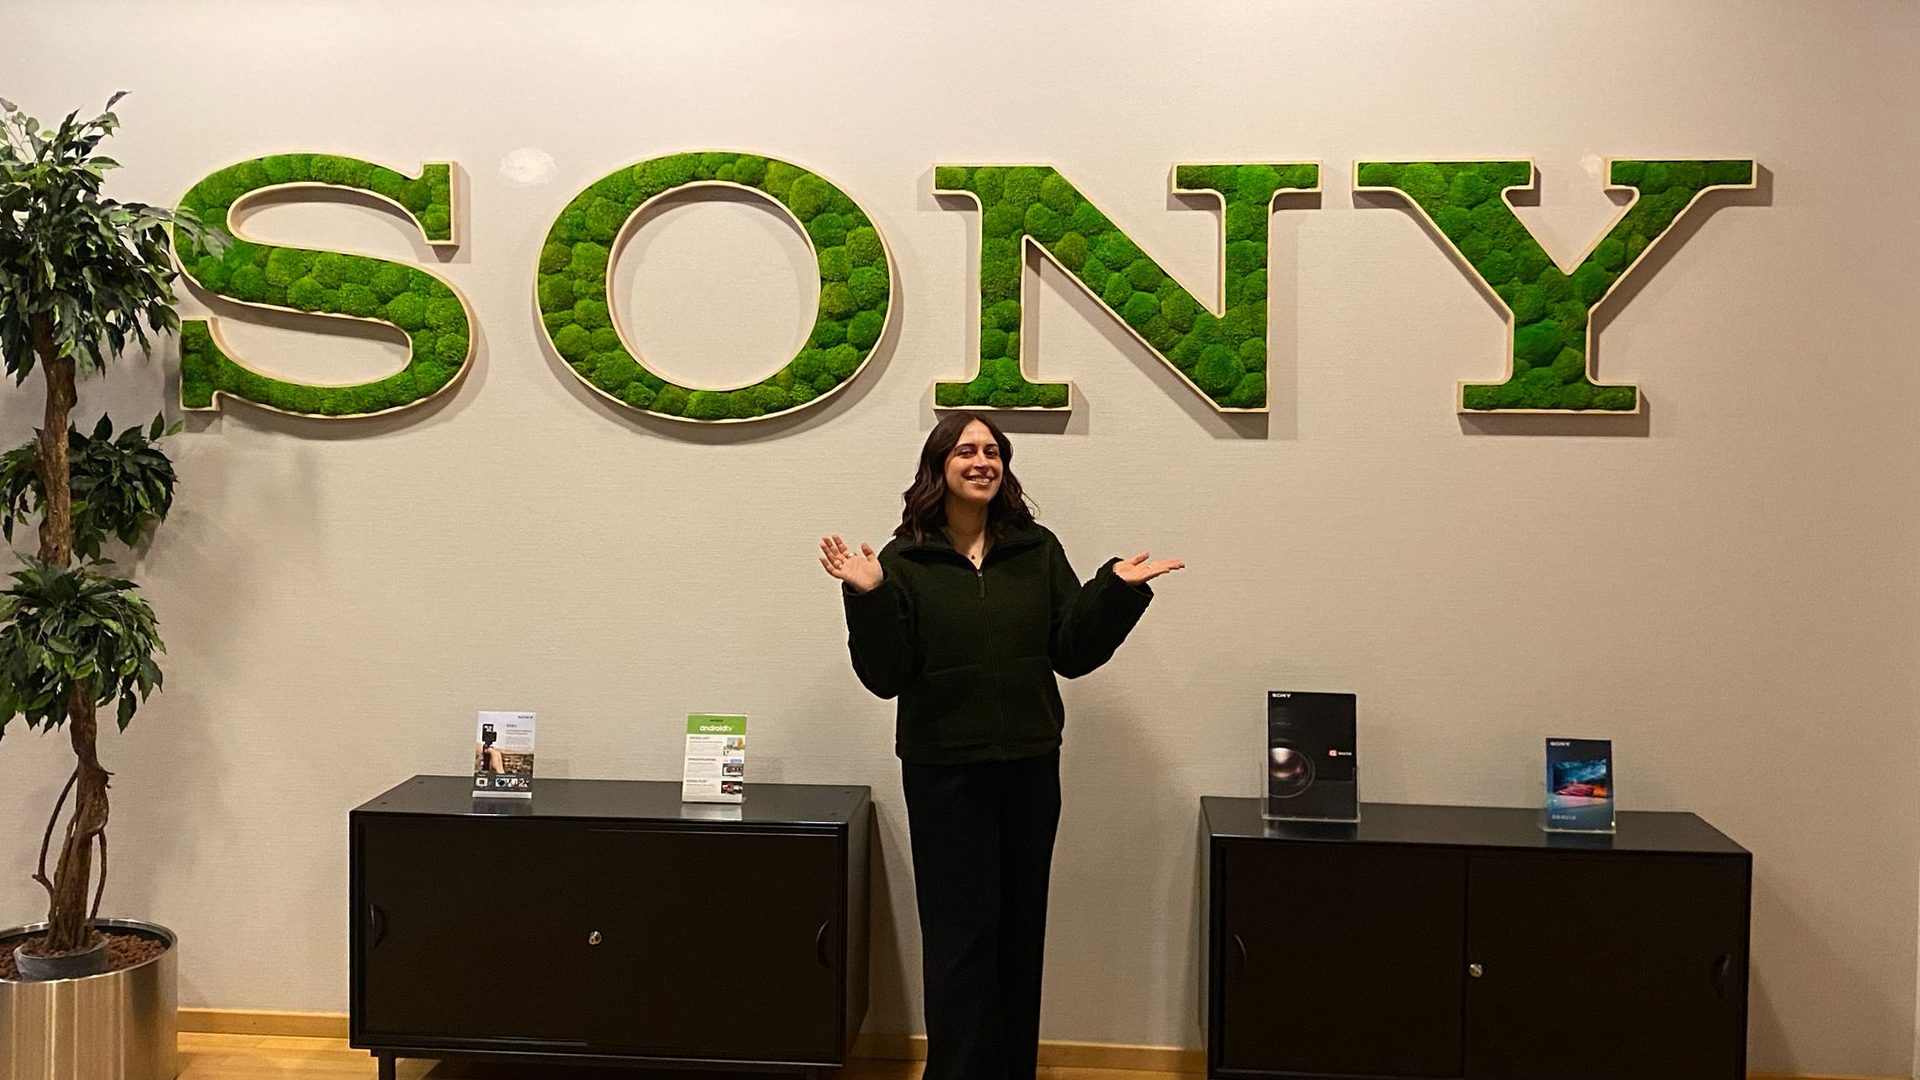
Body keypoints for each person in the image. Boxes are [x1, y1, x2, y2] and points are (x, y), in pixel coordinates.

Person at [819, 411, 1182, 1080]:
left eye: (993, 451)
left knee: (1018, 933)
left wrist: (1117, 591)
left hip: (1029, 769)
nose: (982, 460)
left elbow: (1071, 651)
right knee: (960, 939)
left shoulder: (1036, 550)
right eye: (966, 450)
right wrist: (866, 596)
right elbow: (886, 676)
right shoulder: (904, 561)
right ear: (939, 467)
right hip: (943, 774)